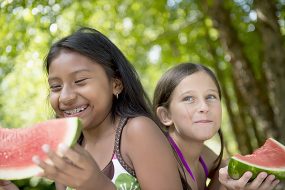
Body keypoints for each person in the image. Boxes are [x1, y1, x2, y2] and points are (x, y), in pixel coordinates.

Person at [0, 27, 183, 190]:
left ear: (116, 84)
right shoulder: (68, 149)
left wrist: (99, 185)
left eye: (80, 81)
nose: (66, 97)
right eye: (56, 87)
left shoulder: (137, 131)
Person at [152, 63, 280, 190]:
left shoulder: (205, 156)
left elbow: (226, 171)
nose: (204, 107)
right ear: (166, 115)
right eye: (189, 98)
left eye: (210, 96)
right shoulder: (160, 161)